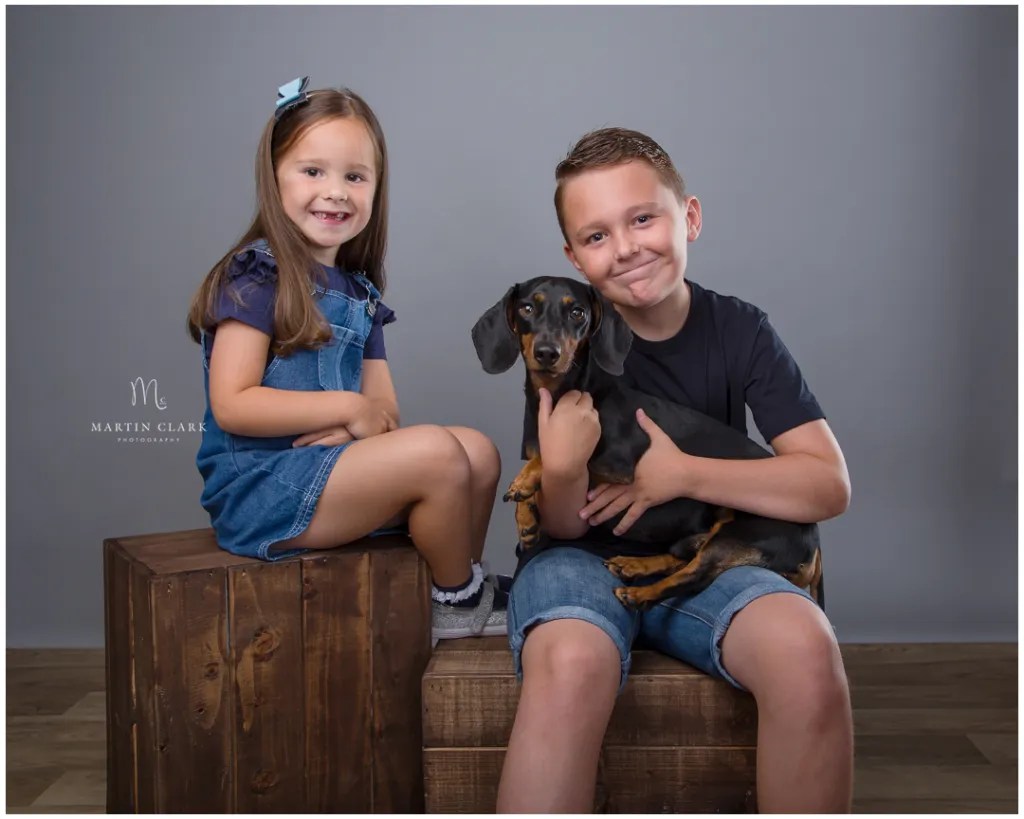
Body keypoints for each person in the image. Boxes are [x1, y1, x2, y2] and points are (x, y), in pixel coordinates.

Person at [496, 128, 853, 812]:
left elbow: (827, 485)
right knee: (572, 660)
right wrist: (565, 467)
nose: (626, 247)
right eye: (596, 236)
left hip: (713, 559)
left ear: (687, 216)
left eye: (641, 218)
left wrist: (683, 473)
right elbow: (564, 523)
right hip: (580, 558)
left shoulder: (740, 331)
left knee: (805, 647)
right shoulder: (563, 344)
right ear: (573, 257)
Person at [186, 77, 507, 642]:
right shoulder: (257, 277)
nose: (335, 192)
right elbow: (232, 405)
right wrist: (346, 409)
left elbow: (384, 412)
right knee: (436, 452)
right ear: (274, 177)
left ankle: (450, 588)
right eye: (313, 171)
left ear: (375, 189)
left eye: (354, 177)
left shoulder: (360, 295)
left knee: (477, 451)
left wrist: (358, 419)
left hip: (333, 472)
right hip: (263, 488)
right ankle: (460, 602)